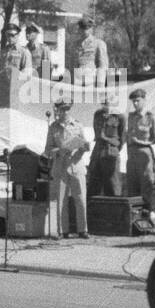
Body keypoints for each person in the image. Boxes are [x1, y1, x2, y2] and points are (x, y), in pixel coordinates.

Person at [44, 98, 91, 238]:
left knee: (81, 198)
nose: (61, 112)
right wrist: (58, 151)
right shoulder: (53, 127)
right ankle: (62, 230)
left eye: (64, 109)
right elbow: (47, 150)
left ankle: (83, 230)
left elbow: (85, 144)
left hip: (76, 165)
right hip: (60, 166)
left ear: (68, 110)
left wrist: (84, 147)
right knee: (61, 200)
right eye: (59, 109)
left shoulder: (77, 125)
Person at [124, 88, 155, 211]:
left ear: (144, 100)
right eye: (133, 101)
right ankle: (133, 216)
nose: (135, 104)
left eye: (137, 101)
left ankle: (147, 214)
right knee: (132, 185)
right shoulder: (131, 117)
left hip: (145, 154)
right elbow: (128, 137)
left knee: (146, 185)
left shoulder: (150, 117)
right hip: (132, 155)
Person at [89, 95, 126, 198]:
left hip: (111, 152)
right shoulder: (97, 114)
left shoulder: (120, 117)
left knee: (112, 184)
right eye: (103, 103)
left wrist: (113, 149)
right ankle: (94, 212)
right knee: (93, 183)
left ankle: (114, 211)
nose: (106, 105)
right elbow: (96, 133)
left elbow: (122, 139)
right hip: (97, 151)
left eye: (108, 103)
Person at [74, 17, 109, 92]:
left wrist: (100, 86)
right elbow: (74, 64)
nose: (83, 30)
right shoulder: (76, 44)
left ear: (91, 29)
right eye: (81, 28)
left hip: (91, 83)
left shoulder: (99, 43)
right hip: (77, 82)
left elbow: (102, 66)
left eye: (86, 28)